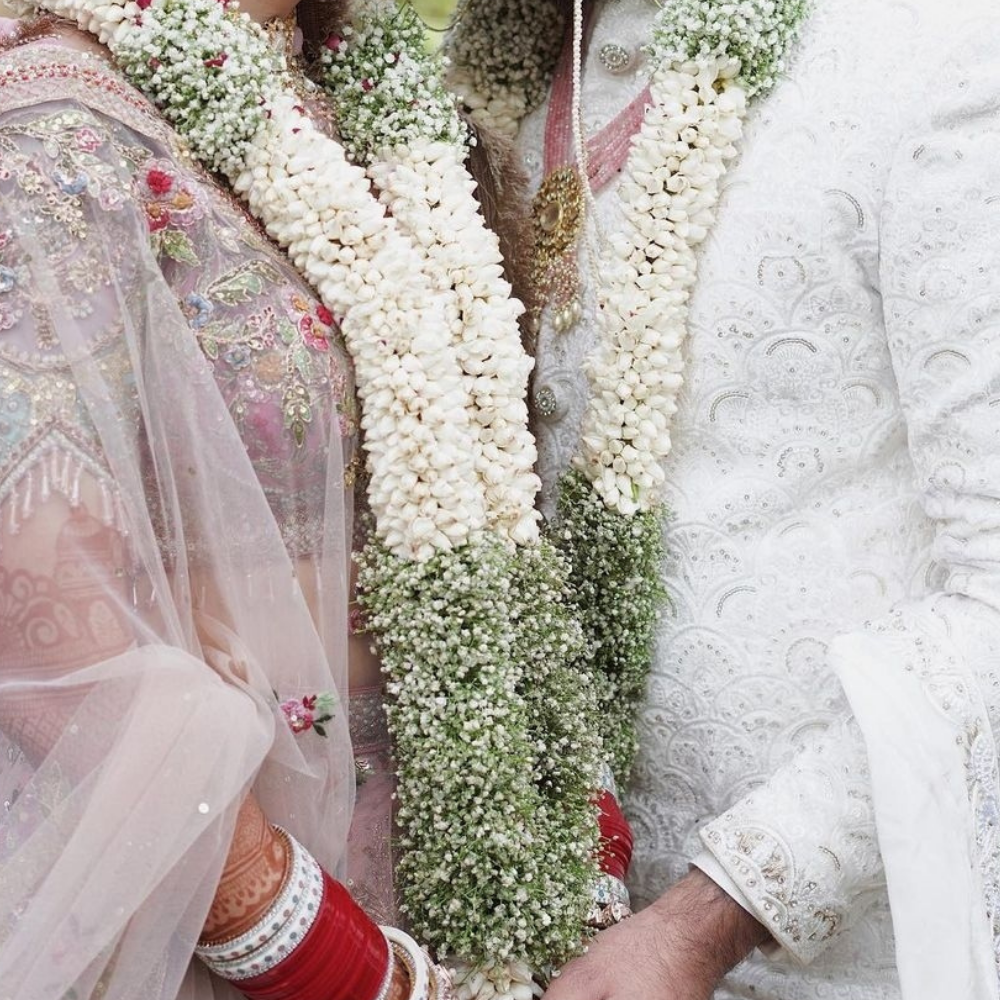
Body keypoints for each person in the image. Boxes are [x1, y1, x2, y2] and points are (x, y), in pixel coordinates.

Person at [444, 0, 1000, 997]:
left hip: (845, 938)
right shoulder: (508, 64)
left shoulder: (938, 50)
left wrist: (709, 916)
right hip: (556, 915)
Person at [0, 3, 431, 997]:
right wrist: (307, 943)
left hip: (430, 862)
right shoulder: (46, 121)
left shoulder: (386, 107)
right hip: (206, 903)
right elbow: (51, 631)